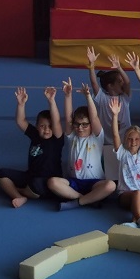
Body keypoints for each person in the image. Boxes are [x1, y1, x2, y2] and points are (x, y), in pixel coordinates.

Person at [48, 79, 117, 210]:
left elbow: (94, 117)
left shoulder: (97, 137)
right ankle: (87, 199)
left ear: (91, 125)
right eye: (77, 124)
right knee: (52, 182)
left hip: (95, 183)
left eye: (85, 124)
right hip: (74, 182)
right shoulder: (72, 136)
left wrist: (88, 97)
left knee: (110, 186)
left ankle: (77, 202)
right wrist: (68, 95)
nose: (80, 128)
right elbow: (68, 117)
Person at [0, 86, 63, 208]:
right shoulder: (35, 135)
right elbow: (20, 121)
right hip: (31, 175)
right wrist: (21, 104)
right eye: (42, 126)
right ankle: (19, 196)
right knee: (1, 173)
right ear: (36, 126)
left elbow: (57, 121)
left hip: (47, 181)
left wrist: (51, 101)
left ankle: (18, 190)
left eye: (50, 126)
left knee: (35, 184)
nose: (46, 129)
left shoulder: (56, 139)